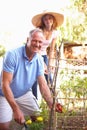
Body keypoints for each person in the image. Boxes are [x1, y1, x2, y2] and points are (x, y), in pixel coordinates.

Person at [0, 28, 54, 130]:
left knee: (38, 119)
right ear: (27, 40)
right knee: (4, 127)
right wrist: (15, 109)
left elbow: (42, 84)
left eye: (40, 42)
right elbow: (5, 84)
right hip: (4, 94)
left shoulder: (39, 59)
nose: (37, 44)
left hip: (24, 93)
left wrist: (50, 102)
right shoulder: (12, 55)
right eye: (35, 40)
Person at [31, 10, 64, 97]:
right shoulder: (38, 31)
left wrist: (50, 63)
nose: (48, 21)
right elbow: (35, 48)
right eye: (45, 19)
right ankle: (34, 105)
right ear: (43, 21)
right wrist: (43, 64)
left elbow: (52, 49)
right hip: (34, 55)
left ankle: (53, 101)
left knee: (48, 77)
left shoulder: (55, 32)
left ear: (53, 20)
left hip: (44, 55)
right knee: (34, 79)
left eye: (50, 18)